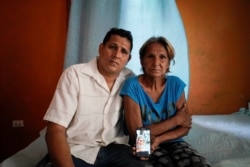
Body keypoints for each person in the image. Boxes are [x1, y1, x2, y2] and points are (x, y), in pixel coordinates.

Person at [36, 28, 150, 167]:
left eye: (123, 51)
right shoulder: (74, 75)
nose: (116, 55)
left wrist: (144, 150)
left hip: (115, 148)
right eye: (112, 47)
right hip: (76, 150)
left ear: (128, 59)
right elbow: (55, 129)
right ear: (101, 48)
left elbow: (141, 120)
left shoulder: (130, 79)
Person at [120, 36, 212, 167]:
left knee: (200, 164)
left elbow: (185, 127)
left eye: (162, 57)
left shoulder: (176, 84)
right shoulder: (132, 86)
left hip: (174, 141)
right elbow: (138, 134)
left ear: (169, 62)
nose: (156, 62)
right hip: (143, 144)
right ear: (142, 60)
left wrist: (159, 139)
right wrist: (175, 121)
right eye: (150, 56)